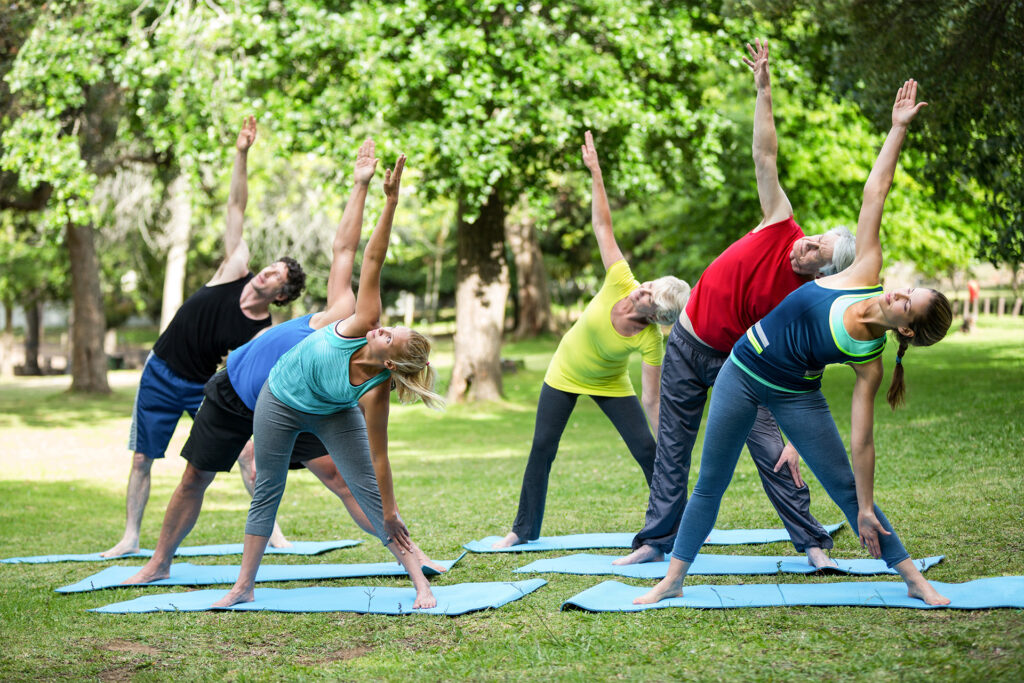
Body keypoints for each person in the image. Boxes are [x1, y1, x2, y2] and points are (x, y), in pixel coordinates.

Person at [635, 78, 952, 607]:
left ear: (906, 331)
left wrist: (867, 505)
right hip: (741, 369)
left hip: (795, 394)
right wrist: (896, 130)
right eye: (909, 290)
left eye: (908, 304)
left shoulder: (870, 362)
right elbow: (877, 191)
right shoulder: (865, 270)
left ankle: (913, 578)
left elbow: (863, 442)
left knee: (848, 491)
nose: (899, 293)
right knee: (710, 482)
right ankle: (671, 579)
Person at [122, 140, 444, 585]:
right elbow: (347, 250)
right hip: (234, 396)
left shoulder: (360, 346)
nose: (375, 326)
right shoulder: (341, 314)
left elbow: (357, 257)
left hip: (309, 407)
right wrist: (360, 185)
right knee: (196, 477)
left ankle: (411, 555)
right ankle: (159, 562)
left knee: (345, 480)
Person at [615, 40, 855, 568]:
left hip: (740, 367)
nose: (806, 244)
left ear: (825, 271)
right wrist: (763, 89)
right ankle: (655, 543)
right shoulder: (780, 221)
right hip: (686, 342)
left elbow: (806, 372)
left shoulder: (807, 300)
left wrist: (797, 434)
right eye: (814, 237)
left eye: (818, 252)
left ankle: (813, 542)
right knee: (672, 450)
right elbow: (764, 155)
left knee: (771, 450)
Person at [213, 151, 444, 610]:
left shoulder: (375, 393)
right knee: (268, 488)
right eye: (388, 326)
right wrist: (390, 202)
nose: (382, 327)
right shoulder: (362, 321)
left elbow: (379, 461)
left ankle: (421, 582)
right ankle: (243, 587)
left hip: (332, 411)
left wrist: (391, 510)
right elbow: (372, 256)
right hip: (278, 398)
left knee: (372, 499)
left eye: (389, 337)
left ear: (392, 365)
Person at [102, 117, 306, 558]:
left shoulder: (261, 329)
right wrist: (242, 153)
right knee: (142, 458)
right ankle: (130, 538)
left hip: (203, 388)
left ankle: (273, 533)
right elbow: (235, 209)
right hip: (159, 371)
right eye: (270, 266)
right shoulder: (234, 270)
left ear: (282, 294)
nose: (267, 272)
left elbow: (252, 374)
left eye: (277, 276)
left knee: (247, 457)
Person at [492, 131, 691, 549]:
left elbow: (652, 400)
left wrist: (667, 442)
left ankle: (675, 525)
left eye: (648, 295)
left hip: (609, 384)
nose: (641, 289)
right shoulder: (621, 279)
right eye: (647, 285)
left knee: (648, 452)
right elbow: (602, 225)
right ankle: (521, 530)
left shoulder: (651, 340)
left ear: (657, 314)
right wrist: (596, 173)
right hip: (563, 372)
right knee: (542, 449)